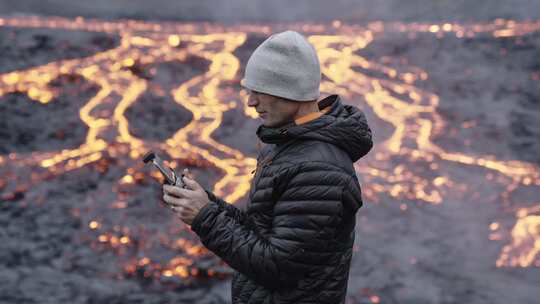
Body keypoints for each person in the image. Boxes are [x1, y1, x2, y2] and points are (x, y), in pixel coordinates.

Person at [162, 30, 373, 304]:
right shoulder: (289, 143)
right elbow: (264, 231)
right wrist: (205, 203)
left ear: (289, 90)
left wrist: (205, 218)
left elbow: (278, 268)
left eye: (260, 92)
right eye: (249, 91)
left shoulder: (318, 169)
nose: (250, 101)